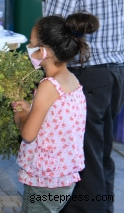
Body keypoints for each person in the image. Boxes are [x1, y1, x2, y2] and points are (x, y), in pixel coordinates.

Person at [44, 0, 124, 213]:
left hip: (83, 78)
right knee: (100, 154)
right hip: (117, 73)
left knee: (82, 163)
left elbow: (53, 36)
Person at [13, 13, 97, 213]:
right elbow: (54, 120)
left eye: (32, 43)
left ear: (44, 51)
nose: (29, 48)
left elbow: (28, 134)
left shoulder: (48, 86)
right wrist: (30, 109)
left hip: (44, 181)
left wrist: (19, 114)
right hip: (63, 180)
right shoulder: (72, 81)